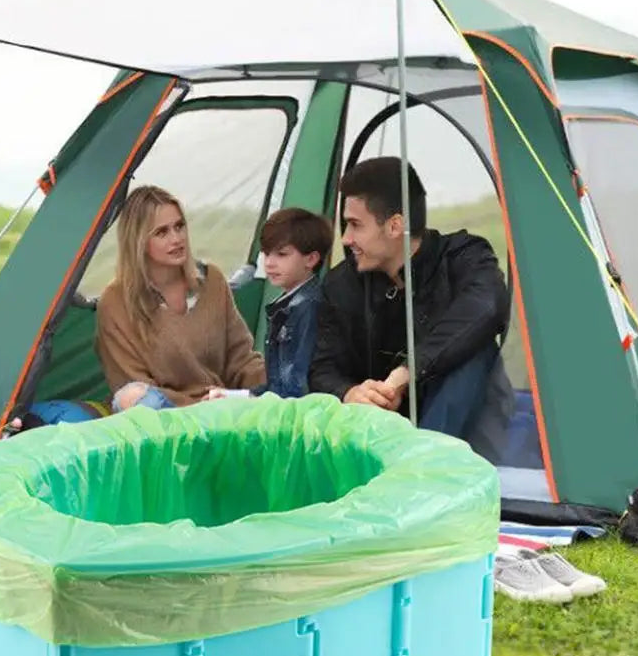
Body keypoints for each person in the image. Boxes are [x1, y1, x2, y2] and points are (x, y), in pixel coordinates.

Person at [308, 157, 512, 457]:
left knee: (474, 351)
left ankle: (423, 463)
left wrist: (407, 372)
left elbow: (487, 306)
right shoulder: (341, 284)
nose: (346, 239)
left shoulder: (463, 257)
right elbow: (323, 367)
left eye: (355, 225)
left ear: (395, 226)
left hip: (469, 433)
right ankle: (412, 464)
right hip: (381, 436)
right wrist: (349, 392)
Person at [95, 185, 266, 411]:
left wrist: (274, 386)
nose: (176, 239)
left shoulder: (212, 281)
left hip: (219, 407)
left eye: (179, 226)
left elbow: (241, 358)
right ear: (138, 241)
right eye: (162, 232)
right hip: (163, 415)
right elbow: (132, 386)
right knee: (135, 397)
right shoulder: (115, 302)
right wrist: (197, 407)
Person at [249, 207, 333, 399]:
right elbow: (275, 382)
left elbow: (295, 388)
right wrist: (237, 396)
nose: (269, 263)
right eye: (266, 253)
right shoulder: (287, 305)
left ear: (311, 259)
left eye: (281, 254)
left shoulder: (309, 308)